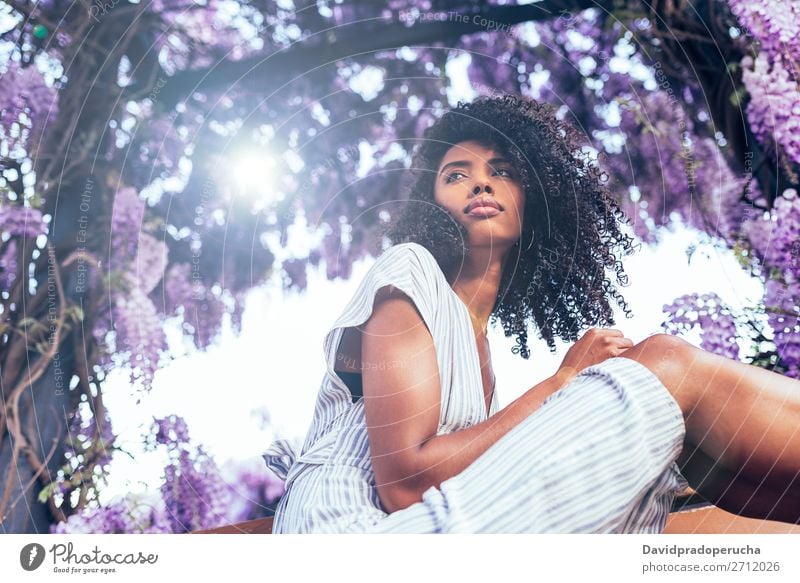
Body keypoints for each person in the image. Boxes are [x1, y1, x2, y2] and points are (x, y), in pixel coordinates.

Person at [263, 94, 800, 533]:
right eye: (455, 174)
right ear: (431, 204)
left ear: (536, 199)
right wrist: (561, 383)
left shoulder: (482, 358)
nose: (480, 182)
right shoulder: (409, 273)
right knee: (662, 365)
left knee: (677, 444)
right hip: (356, 539)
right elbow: (404, 482)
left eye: (502, 171)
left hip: (440, 531)